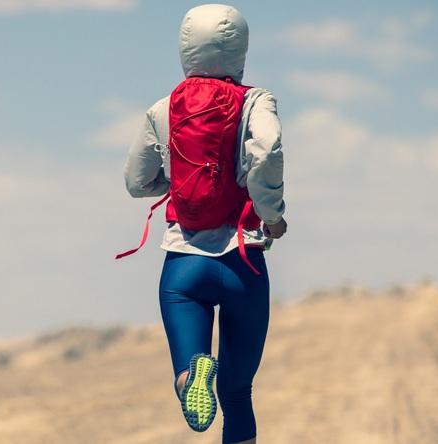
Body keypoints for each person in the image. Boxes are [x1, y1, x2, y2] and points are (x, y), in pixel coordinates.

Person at [121, 5, 286, 443]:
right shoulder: (255, 101)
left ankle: (190, 375)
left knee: (188, 372)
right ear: (240, 50)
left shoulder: (162, 108)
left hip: (182, 270)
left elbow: (136, 183)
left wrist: (175, 180)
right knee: (237, 392)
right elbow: (266, 151)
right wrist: (272, 214)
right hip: (242, 264)